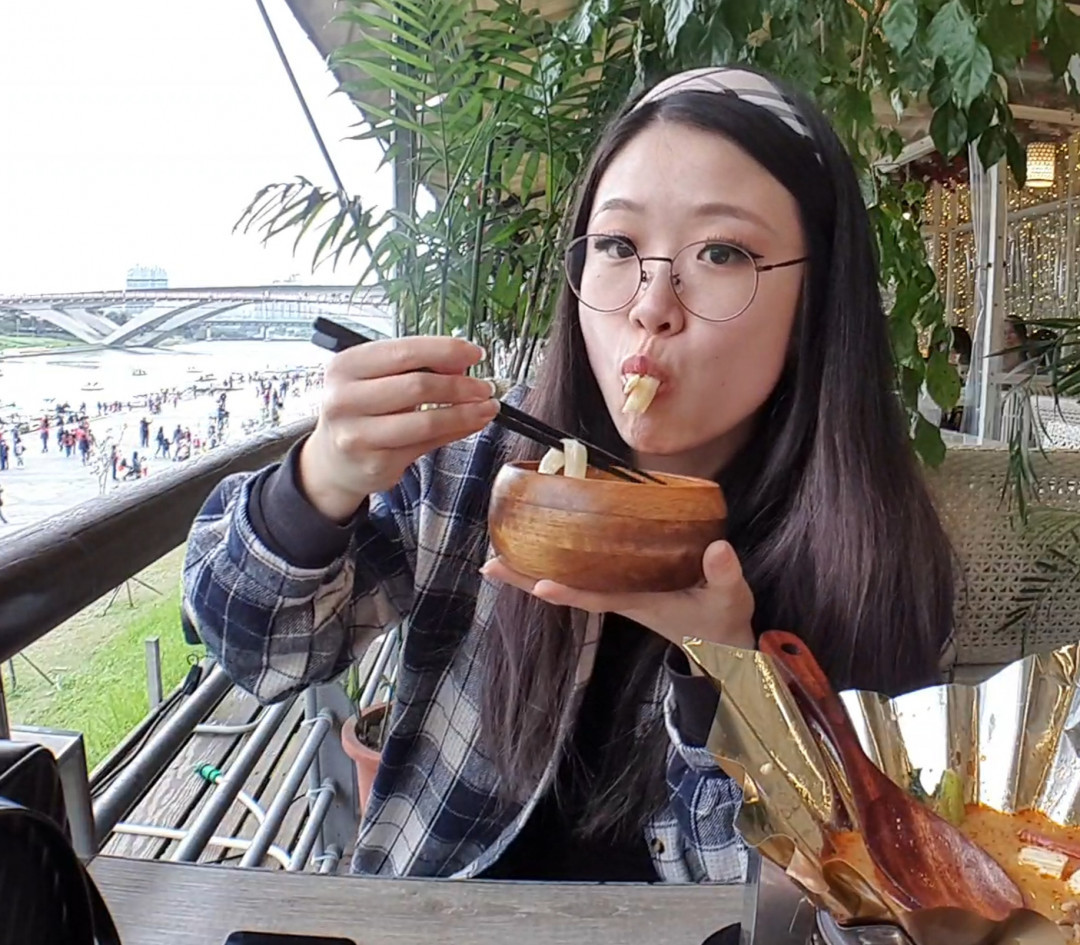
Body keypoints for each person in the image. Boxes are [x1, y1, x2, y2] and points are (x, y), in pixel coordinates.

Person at [182, 67, 954, 883]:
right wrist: (320, 480)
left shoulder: (869, 555)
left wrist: (727, 673)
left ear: (816, 298)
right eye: (618, 246)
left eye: (721, 252)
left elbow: (845, 901)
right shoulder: (475, 466)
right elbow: (260, 649)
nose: (652, 304)